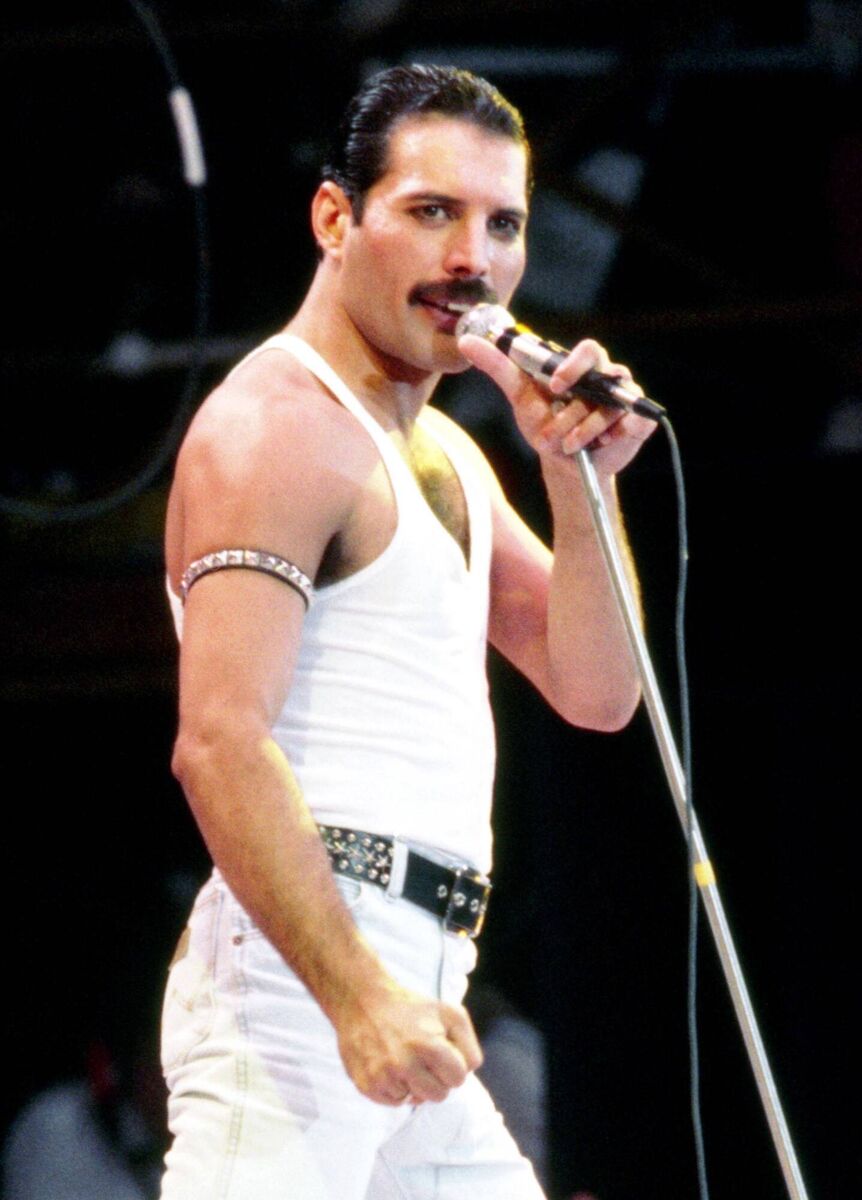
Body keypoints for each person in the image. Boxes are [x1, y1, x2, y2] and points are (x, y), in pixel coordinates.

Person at [159, 63, 654, 1200]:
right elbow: (218, 743)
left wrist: (579, 478)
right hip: (301, 992)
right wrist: (354, 1000)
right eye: (431, 212)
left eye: (501, 222)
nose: (471, 259)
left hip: (418, 981)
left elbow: (597, 690)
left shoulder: (450, 459)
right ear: (336, 217)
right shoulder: (278, 429)